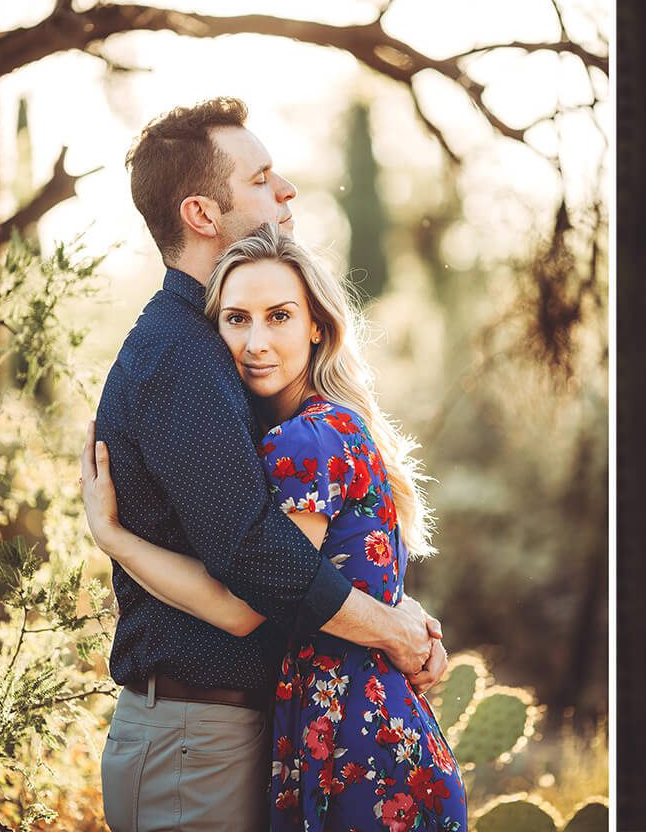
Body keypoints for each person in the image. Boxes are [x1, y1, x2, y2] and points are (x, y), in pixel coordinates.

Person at [82, 98, 447, 831]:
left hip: (229, 736)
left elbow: (300, 544)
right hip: (195, 739)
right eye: (260, 179)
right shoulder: (181, 356)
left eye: (278, 317)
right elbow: (254, 559)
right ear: (201, 213)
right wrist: (390, 629)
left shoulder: (216, 353)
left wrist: (391, 605)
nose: (286, 193)